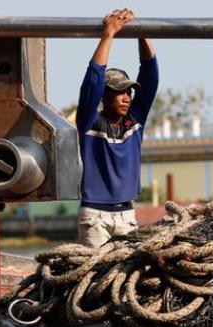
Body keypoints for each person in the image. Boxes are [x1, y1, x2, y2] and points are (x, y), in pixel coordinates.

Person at [76, 8, 158, 248]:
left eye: (129, 91)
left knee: (124, 280)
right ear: (105, 96)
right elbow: (93, 80)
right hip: (94, 217)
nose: (126, 97)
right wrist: (108, 34)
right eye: (119, 92)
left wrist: (142, 33)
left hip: (126, 215)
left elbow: (150, 74)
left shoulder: (135, 121)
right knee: (94, 281)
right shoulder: (89, 122)